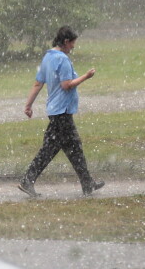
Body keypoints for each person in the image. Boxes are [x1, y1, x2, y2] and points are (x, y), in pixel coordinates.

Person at [18, 25, 104, 197]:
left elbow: (37, 84)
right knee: (55, 148)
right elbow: (67, 85)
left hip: (55, 111)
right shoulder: (62, 59)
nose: (73, 47)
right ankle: (28, 179)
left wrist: (28, 105)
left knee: (71, 148)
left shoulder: (48, 57)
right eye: (72, 43)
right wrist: (86, 76)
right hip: (62, 112)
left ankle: (87, 184)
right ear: (66, 42)